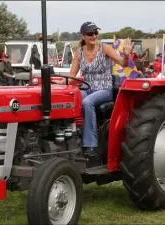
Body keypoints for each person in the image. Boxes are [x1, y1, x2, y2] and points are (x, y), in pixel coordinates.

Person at [56, 21, 133, 165]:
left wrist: (127, 56)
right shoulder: (79, 52)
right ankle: (72, 136)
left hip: (104, 89)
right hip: (87, 88)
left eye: (96, 33)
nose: (94, 36)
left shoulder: (104, 49)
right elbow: (73, 76)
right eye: (90, 33)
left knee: (87, 102)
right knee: (73, 99)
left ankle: (91, 146)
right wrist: (59, 84)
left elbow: (123, 63)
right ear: (83, 36)